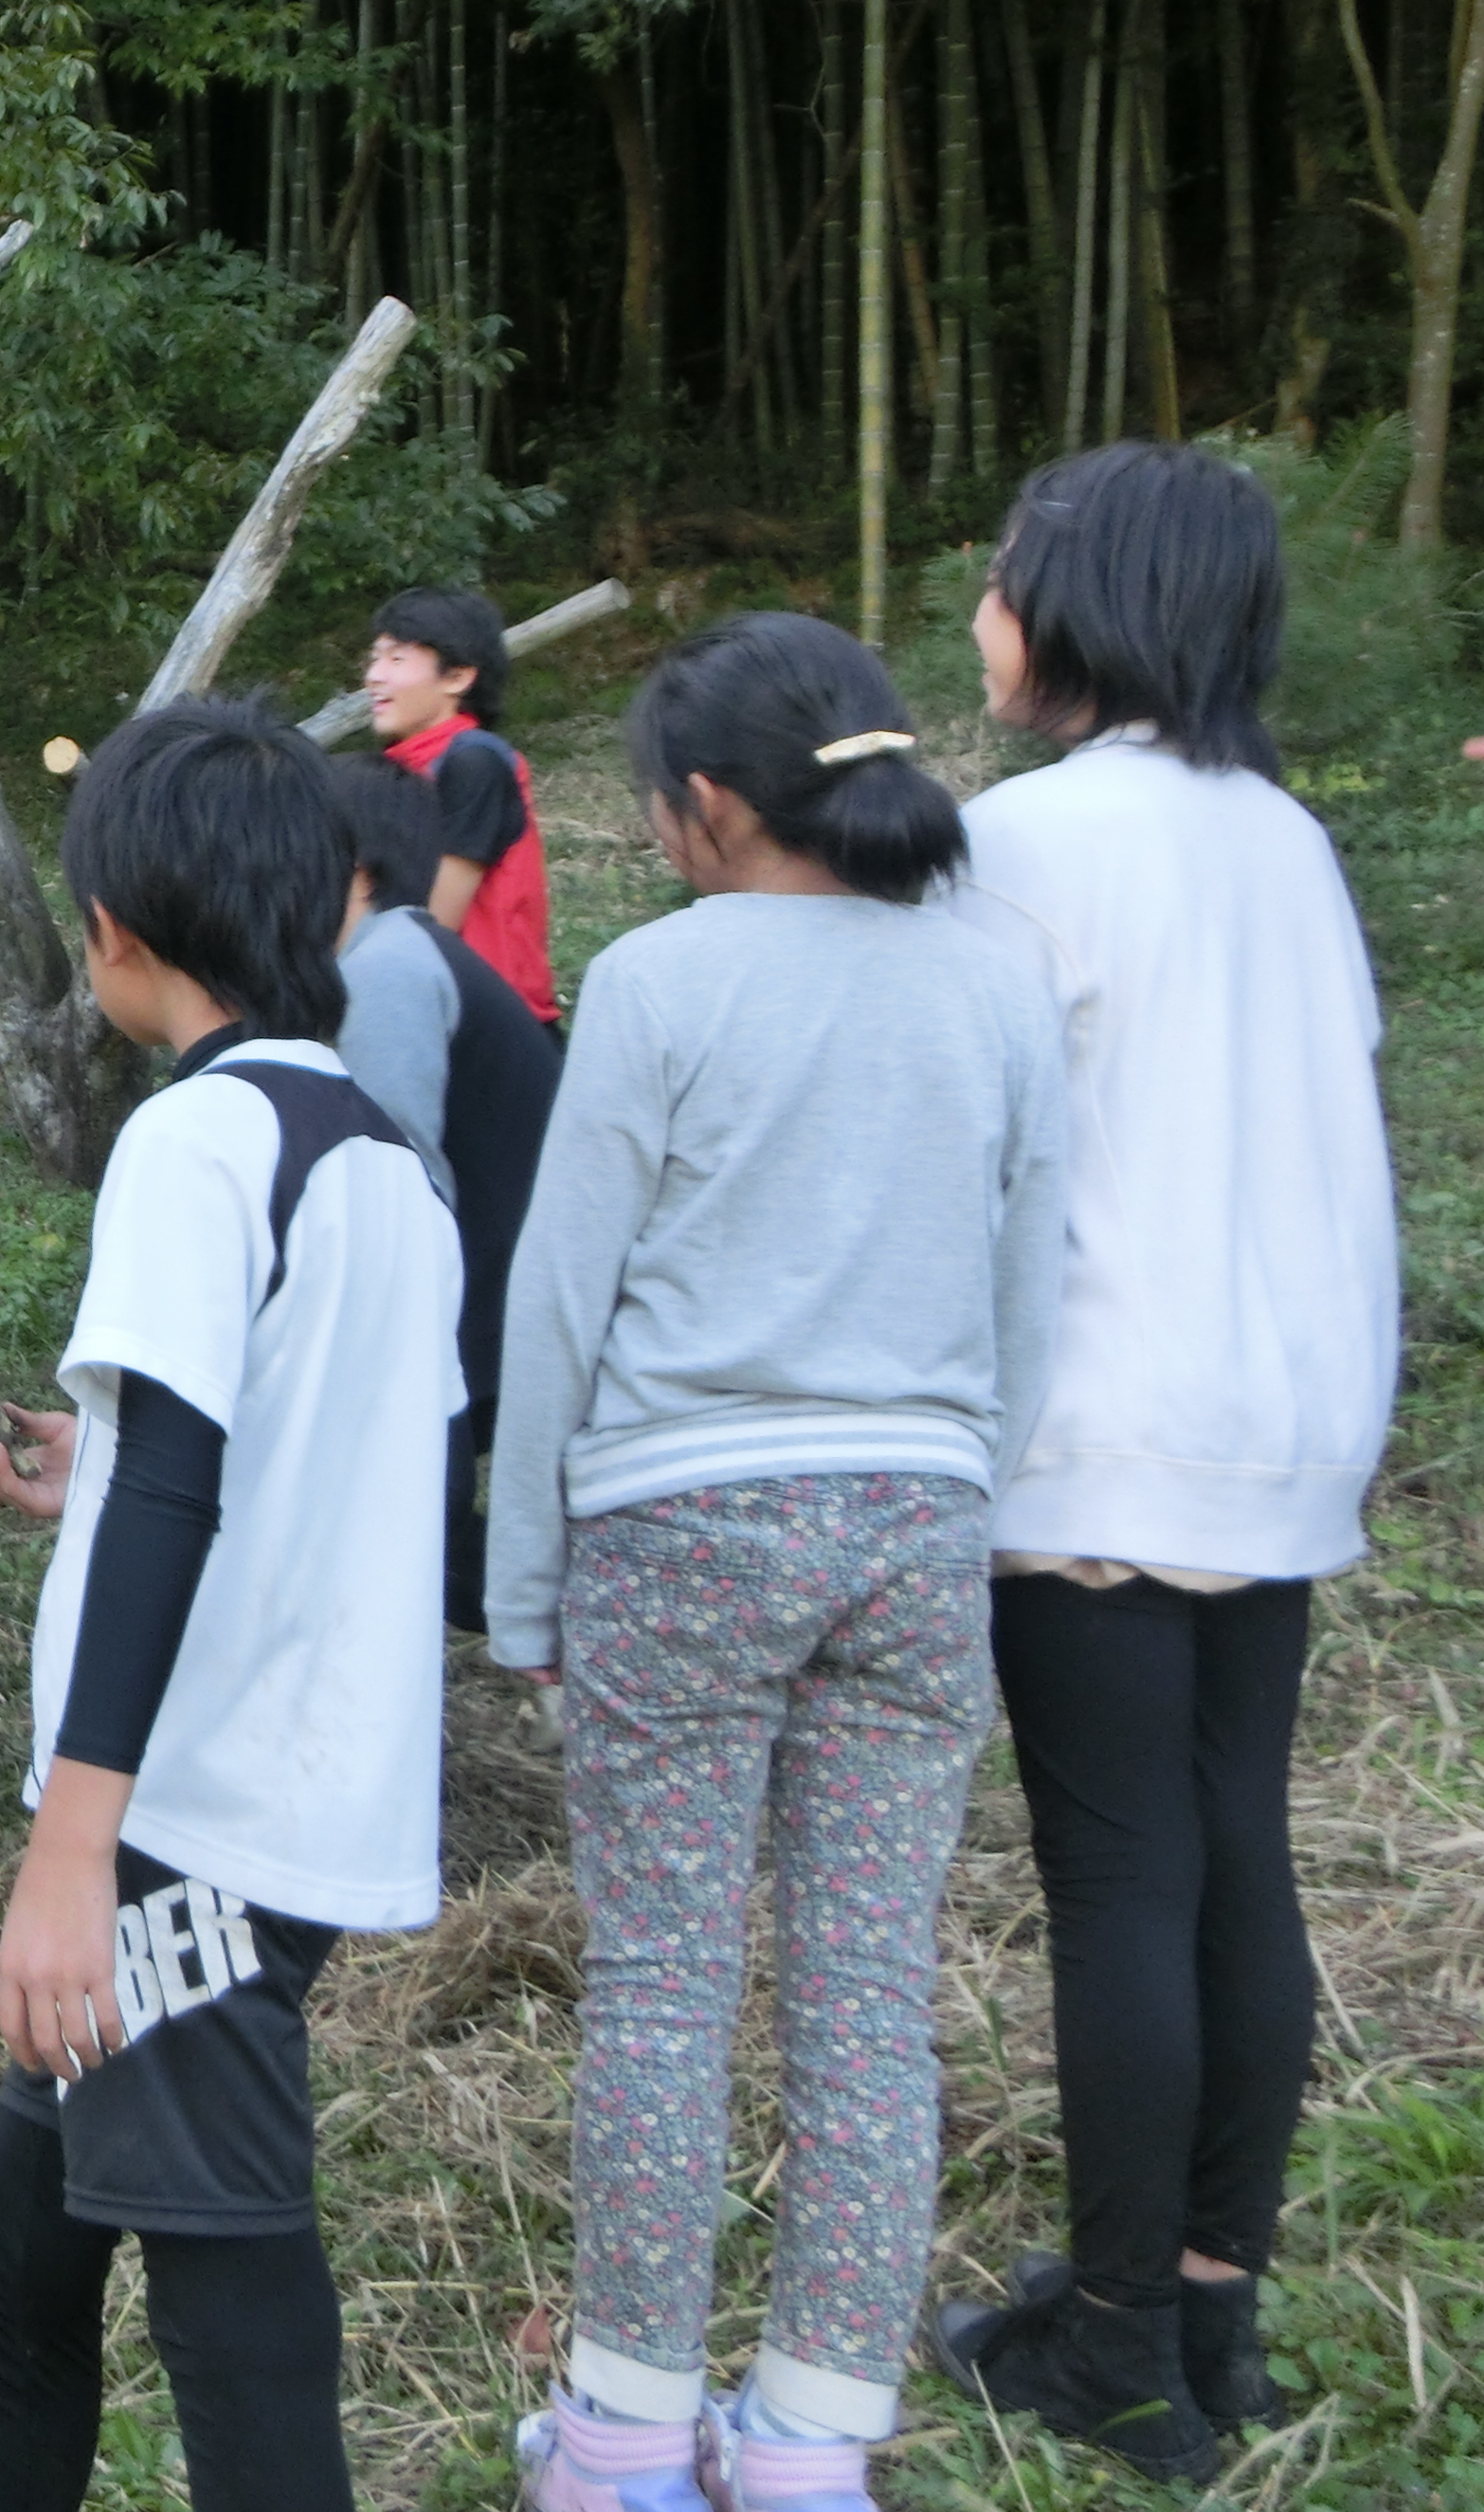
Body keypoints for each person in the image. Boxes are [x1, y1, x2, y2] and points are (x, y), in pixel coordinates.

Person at [487, 614, 1064, 2512]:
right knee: (869, 1999)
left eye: (664, 804)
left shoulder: (659, 983)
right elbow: (1024, 1286)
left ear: (716, 804)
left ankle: (630, 2441)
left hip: (683, 1524)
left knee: (663, 1993)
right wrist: (964, 1490)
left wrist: (520, 1579)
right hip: (916, 1522)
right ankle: (814, 2445)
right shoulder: (993, 982)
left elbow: (562, 1302)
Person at [0, 701, 461, 2512]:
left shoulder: (196, 1138)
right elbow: (300, 1473)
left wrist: (72, 1849)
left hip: (186, 1829)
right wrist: (67, 1480)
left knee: (228, 2272)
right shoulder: (384, 1161)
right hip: (293, 1803)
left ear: (115, 929)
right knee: (22, 2223)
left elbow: (175, 1482)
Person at [932, 445, 1397, 2485]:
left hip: (1100, 1427)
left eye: (1008, 576)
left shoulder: (1024, 840)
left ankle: (1112, 2347)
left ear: (1088, 602)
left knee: (1121, 1875)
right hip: (1276, 1423)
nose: (981, 611)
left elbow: (950, 1145)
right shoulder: (1283, 839)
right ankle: (1211, 2310)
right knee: (1235, 1859)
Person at [328, 754, 563, 1631]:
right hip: (502, 1302)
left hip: (488, 1314)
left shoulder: (386, 970)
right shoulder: (412, 949)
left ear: (353, 868)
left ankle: (593, 1620)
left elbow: (399, 1180)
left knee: (409, 1534)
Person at [364, 585, 559, 1025]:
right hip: (433, 1010)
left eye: (397, 659)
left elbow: (437, 920)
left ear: (457, 677)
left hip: (491, 1025)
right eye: (375, 658)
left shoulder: (474, 762)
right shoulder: (401, 768)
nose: (374, 675)